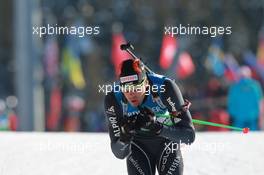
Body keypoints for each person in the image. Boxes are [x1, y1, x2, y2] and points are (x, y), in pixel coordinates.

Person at [104, 59, 195, 175]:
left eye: (136, 88)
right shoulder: (113, 99)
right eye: (126, 89)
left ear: (146, 83)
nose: (131, 93)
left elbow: (189, 136)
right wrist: (125, 138)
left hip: (166, 142)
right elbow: (119, 153)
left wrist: (158, 128)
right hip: (137, 146)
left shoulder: (165, 87)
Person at [227, 66, 263, 130]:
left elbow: (231, 103)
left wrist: (232, 115)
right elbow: (260, 102)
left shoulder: (235, 87)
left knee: (237, 138)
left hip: (238, 119)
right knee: (253, 138)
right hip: (252, 118)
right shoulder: (255, 86)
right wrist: (260, 116)